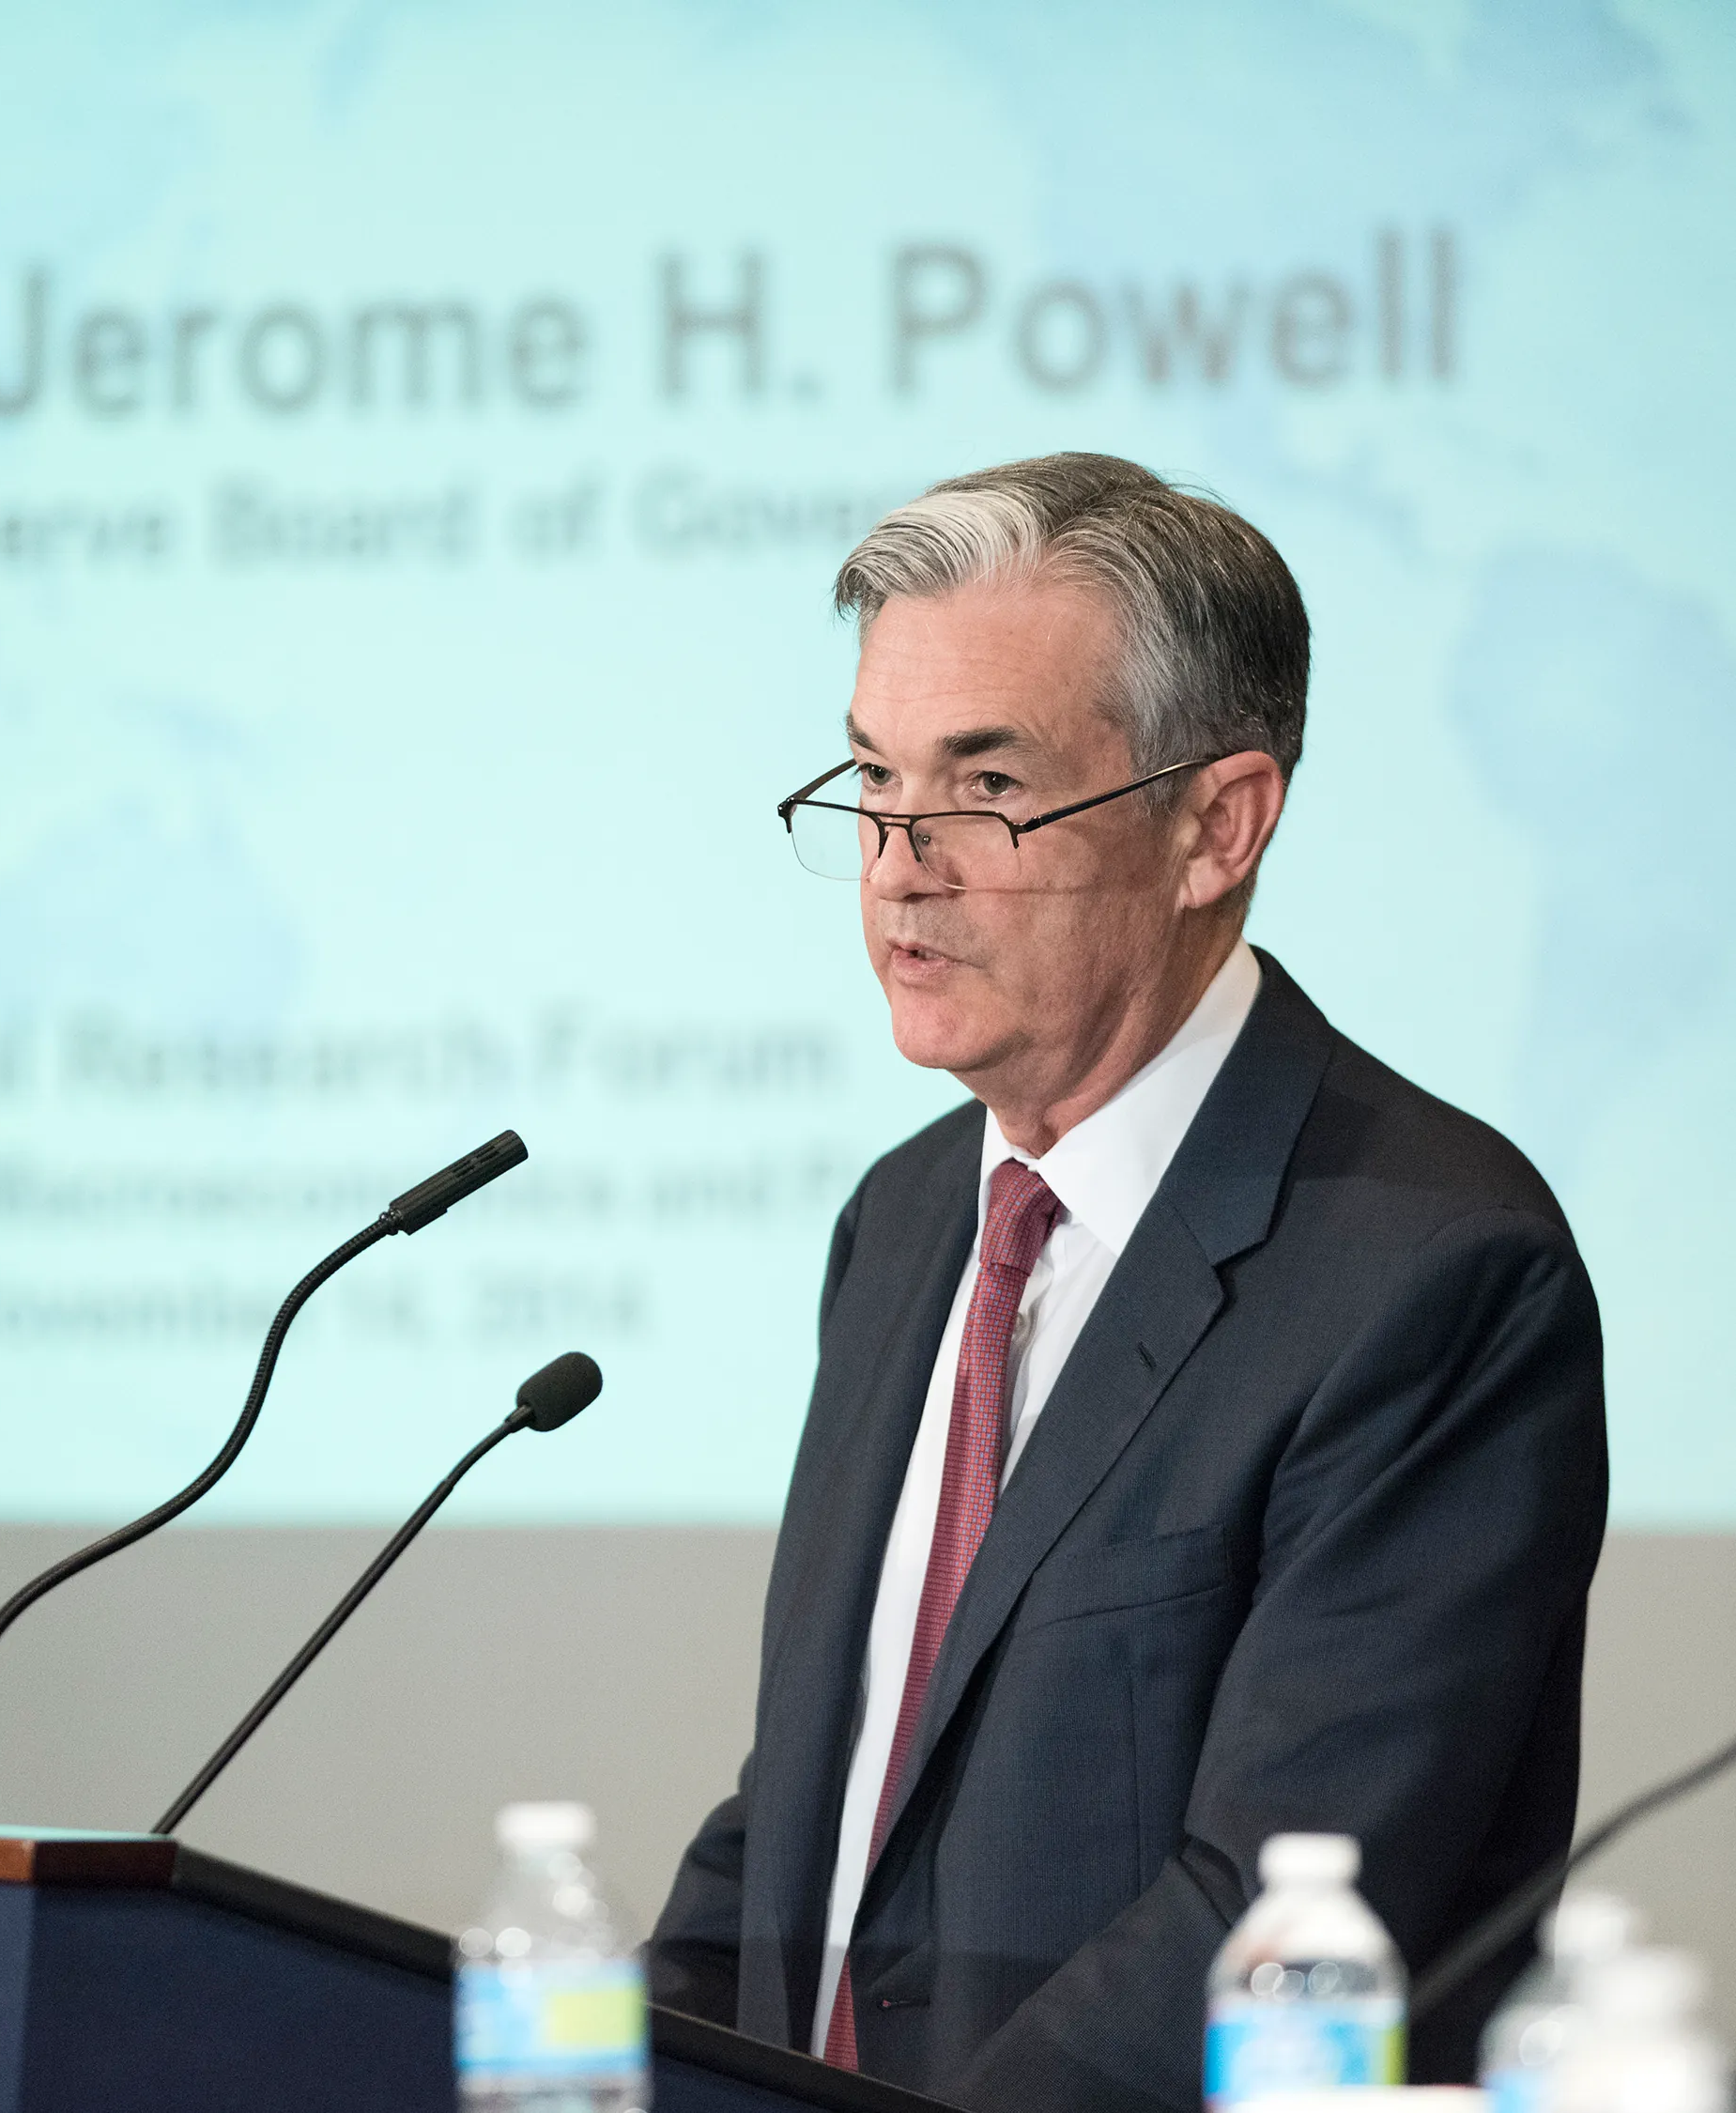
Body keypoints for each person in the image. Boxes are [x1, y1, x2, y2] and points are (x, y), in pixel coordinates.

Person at [648, 454, 1606, 2113]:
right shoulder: (902, 1223)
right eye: (875, 777)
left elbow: (1278, 1922)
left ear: (1213, 828)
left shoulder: (1434, 1272)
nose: (898, 860)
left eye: (987, 785)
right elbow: (819, 1810)